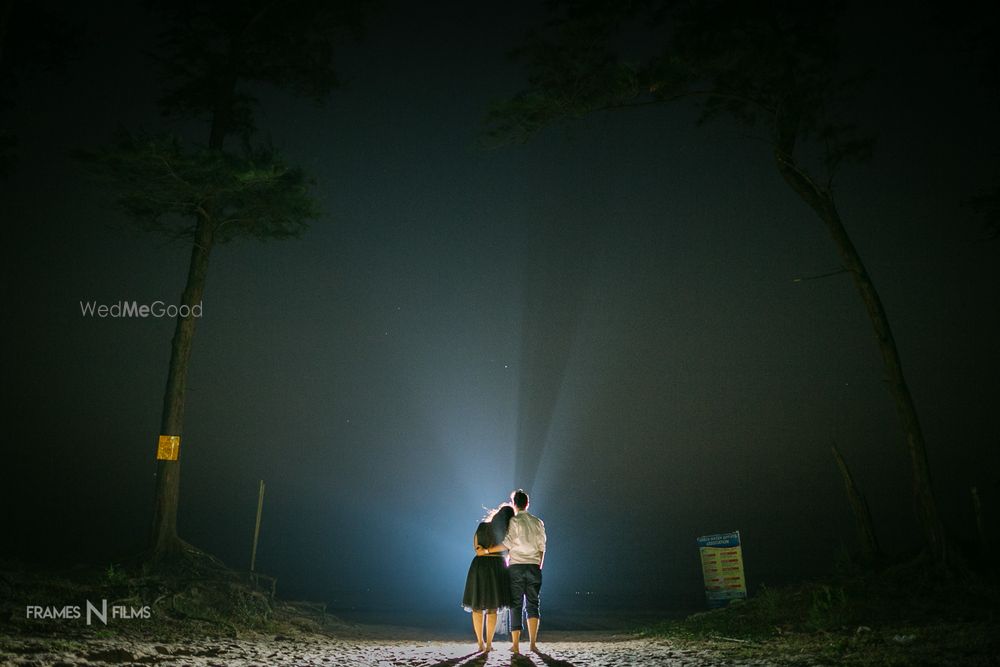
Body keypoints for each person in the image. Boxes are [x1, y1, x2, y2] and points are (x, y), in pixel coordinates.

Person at [480, 489, 545, 654]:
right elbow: (542, 547)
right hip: (533, 566)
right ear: (527, 504)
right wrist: (539, 564)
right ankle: (532, 644)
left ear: (514, 504)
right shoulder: (538, 522)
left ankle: (515, 645)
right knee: (533, 604)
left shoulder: (514, 522)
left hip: (516, 566)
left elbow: (507, 544)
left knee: (515, 605)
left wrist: (488, 551)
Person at [462, 504, 514, 652]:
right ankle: (489, 644)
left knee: (477, 605)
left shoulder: (482, 526)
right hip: (496, 565)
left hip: (478, 565)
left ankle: (480, 643)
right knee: (492, 607)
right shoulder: (506, 531)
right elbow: (507, 548)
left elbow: (475, 546)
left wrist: (482, 551)